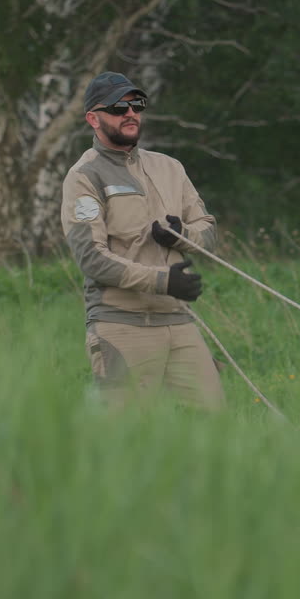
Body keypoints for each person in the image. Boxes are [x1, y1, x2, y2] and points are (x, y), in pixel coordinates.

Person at [60, 71, 224, 410]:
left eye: (137, 104)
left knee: (212, 424)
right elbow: (92, 258)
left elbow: (208, 231)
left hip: (179, 322)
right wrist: (164, 281)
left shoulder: (171, 168)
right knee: (125, 441)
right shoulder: (84, 176)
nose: (131, 113)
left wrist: (183, 235)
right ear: (93, 118)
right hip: (120, 324)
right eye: (119, 107)